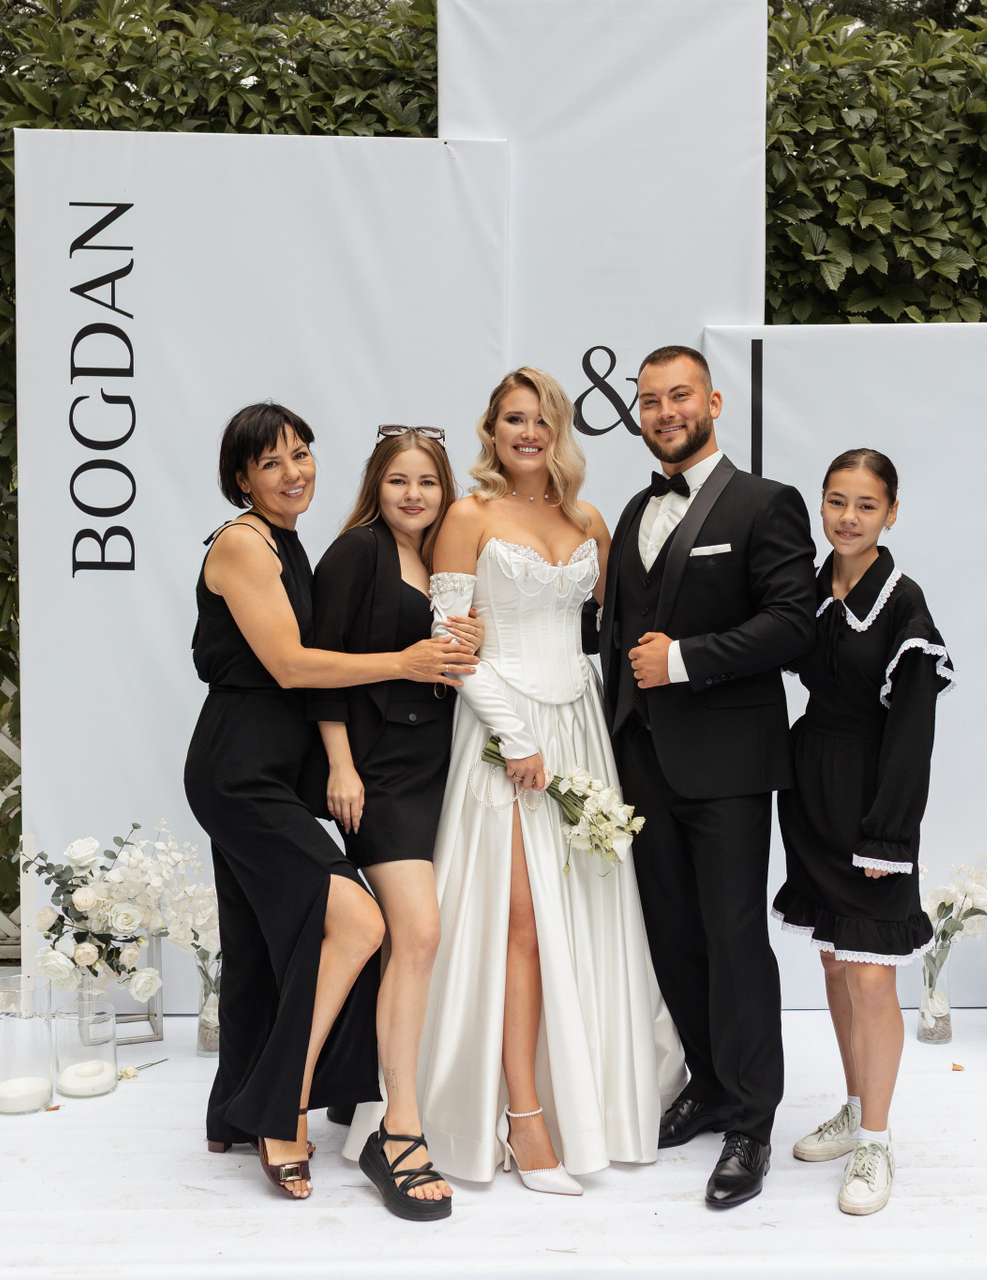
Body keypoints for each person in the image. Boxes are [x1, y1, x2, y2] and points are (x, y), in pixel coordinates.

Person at [183, 403, 478, 1200]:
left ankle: (233, 1111)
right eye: (272, 462)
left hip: (277, 771)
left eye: (303, 454)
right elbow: (291, 664)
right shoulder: (242, 543)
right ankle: (280, 1110)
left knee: (258, 945)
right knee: (359, 921)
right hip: (240, 771)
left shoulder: (289, 542)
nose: (294, 472)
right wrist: (403, 663)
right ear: (242, 479)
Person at [415, 366, 681, 1195]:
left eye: (542, 419)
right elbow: (454, 648)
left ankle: (585, 1106)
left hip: (580, 731)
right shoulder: (467, 516)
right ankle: (522, 1119)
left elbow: (607, 629)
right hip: (506, 734)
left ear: (560, 430)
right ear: (491, 431)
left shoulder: (588, 520)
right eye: (513, 419)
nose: (528, 433)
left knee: (585, 916)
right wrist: (515, 734)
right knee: (520, 924)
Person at [597, 345, 817, 1210]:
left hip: (727, 766)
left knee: (734, 941)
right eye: (650, 400)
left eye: (679, 395)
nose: (664, 412)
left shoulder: (766, 503)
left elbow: (793, 624)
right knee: (673, 937)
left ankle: (752, 1121)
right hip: (642, 761)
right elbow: (617, 635)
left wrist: (685, 659)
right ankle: (711, 1086)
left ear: (713, 402)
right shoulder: (631, 510)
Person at [774, 448, 952, 1216]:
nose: (848, 518)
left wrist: (888, 837)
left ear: (891, 513)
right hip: (812, 791)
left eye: (866, 505)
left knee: (873, 975)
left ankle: (877, 1140)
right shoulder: (812, 588)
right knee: (836, 964)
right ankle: (854, 1108)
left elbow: (912, 734)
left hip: (871, 803)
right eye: (836, 501)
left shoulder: (903, 606)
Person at [307, 426, 464, 1221]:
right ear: (377, 484)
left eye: (427, 481)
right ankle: (399, 1129)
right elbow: (319, 663)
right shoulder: (357, 552)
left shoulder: (444, 559)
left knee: (421, 940)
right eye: (399, 480)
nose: (413, 494)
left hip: (445, 766)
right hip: (381, 773)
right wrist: (341, 765)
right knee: (420, 934)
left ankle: (358, 1096)